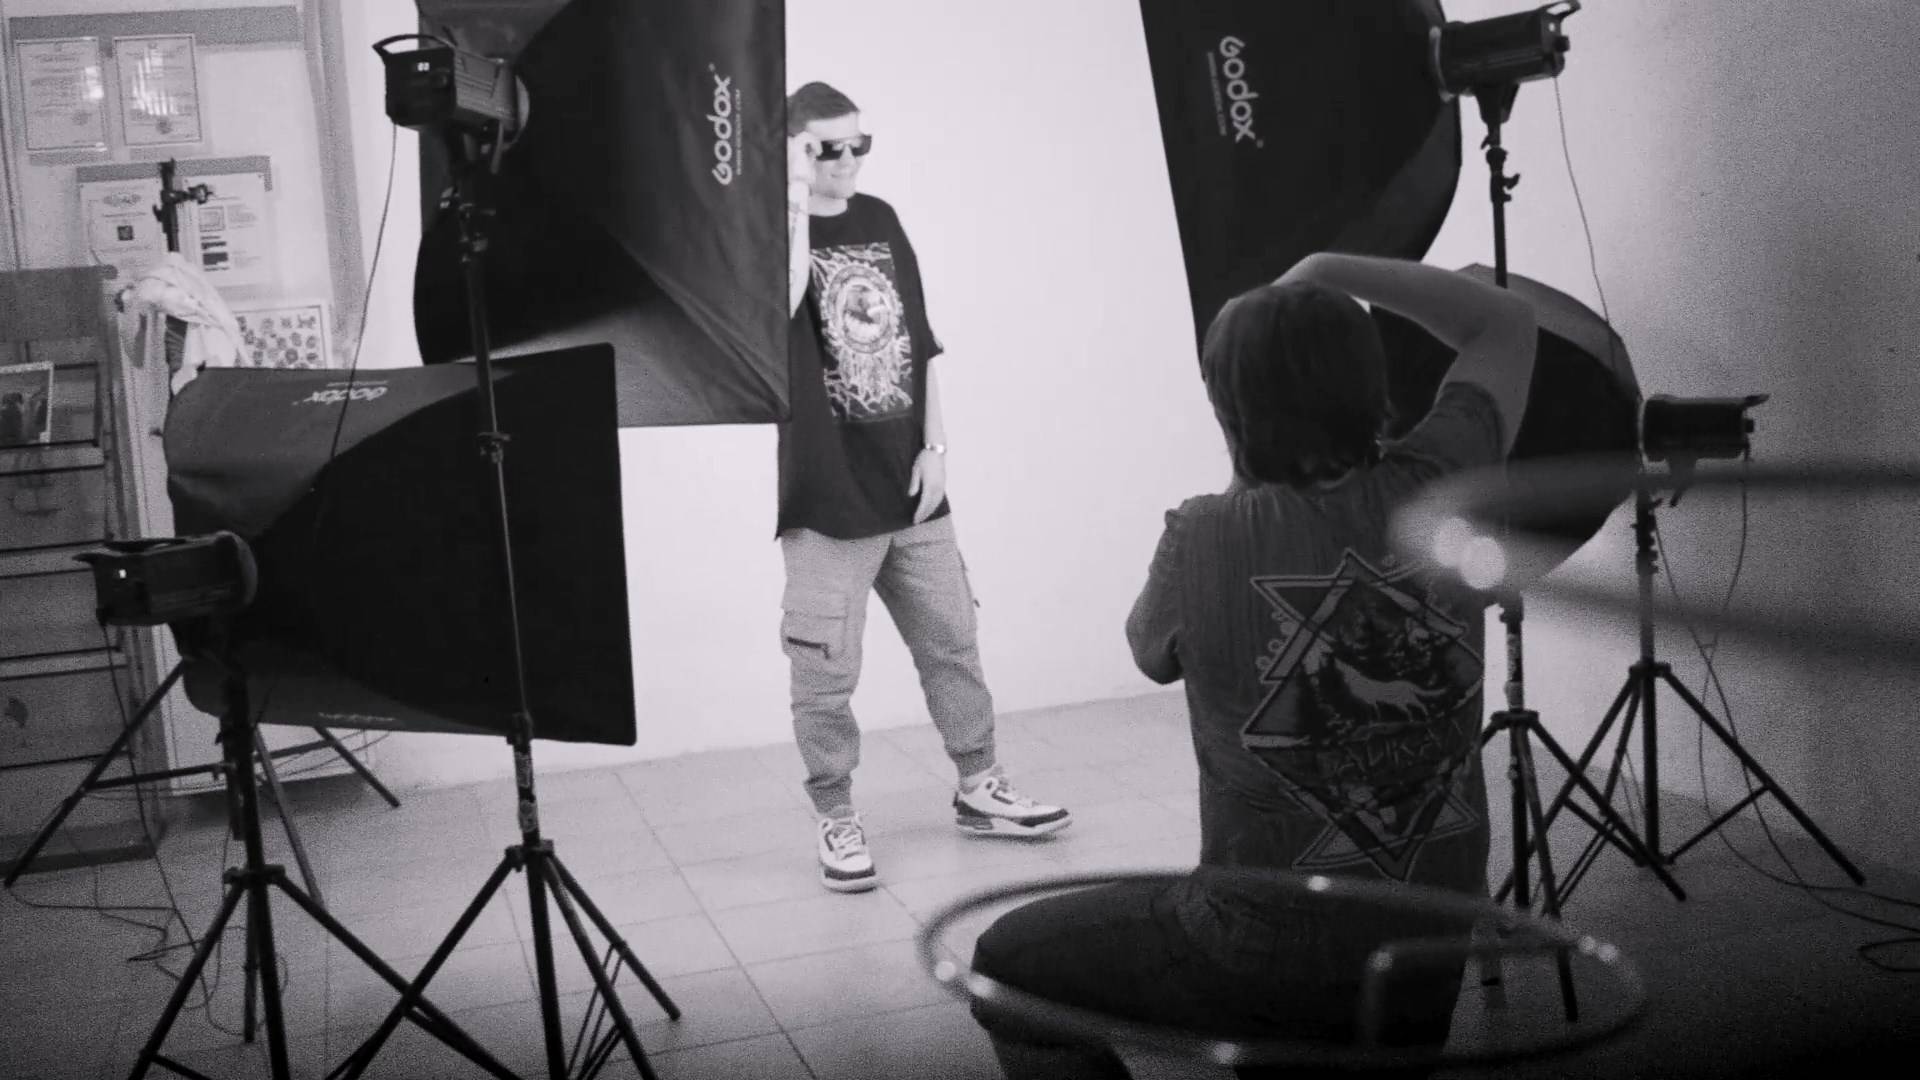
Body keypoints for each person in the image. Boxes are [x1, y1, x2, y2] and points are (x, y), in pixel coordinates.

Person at [969, 251, 1539, 1079]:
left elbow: (1149, 649)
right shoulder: (1445, 479)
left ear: (1228, 411)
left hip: (1264, 945)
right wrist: (1330, 267)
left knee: (1006, 966)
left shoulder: (1203, 535)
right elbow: (1506, 320)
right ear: (1372, 387)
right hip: (1429, 940)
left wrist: (1249, 472)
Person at [778, 81, 1071, 894]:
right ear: (792, 150)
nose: (847, 161)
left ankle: (980, 785)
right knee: (825, 672)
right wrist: (793, 196)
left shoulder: (883, 218)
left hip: (911, 482)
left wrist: (937, 448)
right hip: (826, 495)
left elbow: (923, 343)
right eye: (825, 147)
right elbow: (780, 303)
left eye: (857, 144)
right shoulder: (771, 233)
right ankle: (835, 814)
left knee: (952, 640)